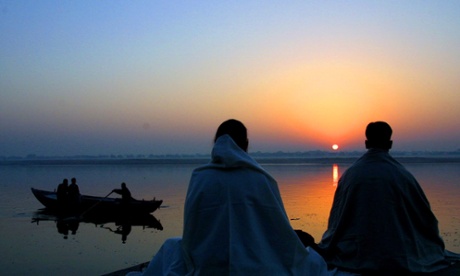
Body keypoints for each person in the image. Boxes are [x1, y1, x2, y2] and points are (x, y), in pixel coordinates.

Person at [129, 119, 328, 275]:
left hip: (208, 266)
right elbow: (280, 235)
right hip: (257, 267)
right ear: (246, 145)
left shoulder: (200, 178)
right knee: (313, 262)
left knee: (172, 246)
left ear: (216, 144)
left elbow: (191, 234)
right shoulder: (262, 179)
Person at [318, 121, 460, 274]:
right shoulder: (401, 175)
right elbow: (425, 218)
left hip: (355, 251)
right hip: (399, 252)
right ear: (390, 143)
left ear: (366, 143)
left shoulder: (351, 175)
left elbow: (336, 221)